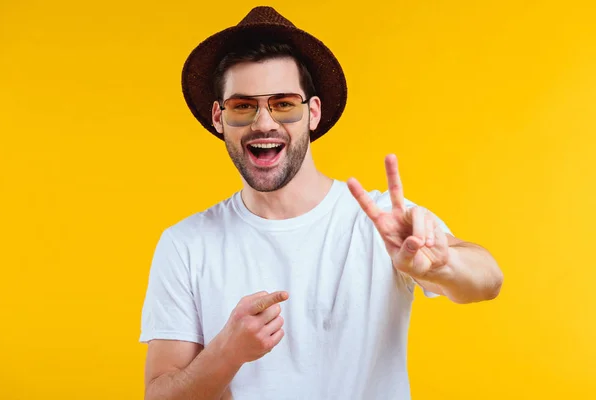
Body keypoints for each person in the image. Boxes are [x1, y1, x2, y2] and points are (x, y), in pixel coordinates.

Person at [139, 6, 503, 400]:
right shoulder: (186, 244)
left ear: (312, 112)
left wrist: (443, 264)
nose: (263, 123)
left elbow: (488, 280)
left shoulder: (381, 223)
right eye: (243, 106)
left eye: (283, 104)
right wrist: (226, 354)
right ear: (218, 117)